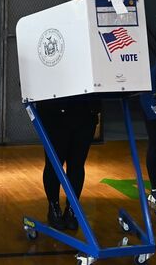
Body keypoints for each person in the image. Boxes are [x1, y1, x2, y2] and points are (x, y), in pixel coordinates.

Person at [36, 99, 100, 231]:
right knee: (54, 163)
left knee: (77, 164)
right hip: (55, 112)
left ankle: (72, 209)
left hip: (86, 110)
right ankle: (54, 207)